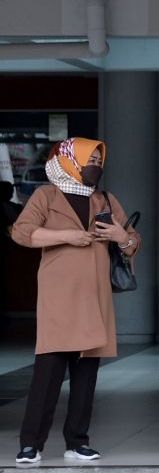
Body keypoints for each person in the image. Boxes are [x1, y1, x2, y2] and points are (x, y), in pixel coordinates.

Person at [11, 138, 140, 466]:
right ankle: (31, 445)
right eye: (90, 159)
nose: (96, 164)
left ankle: (77, 442)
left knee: (86, 374)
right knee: (47, 375)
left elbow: (132, 240)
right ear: (71, 160)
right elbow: (22, 232)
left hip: (94, 299)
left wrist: (120, 238)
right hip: (59, 298)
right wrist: (66, 236)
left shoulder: (104, 199)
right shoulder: (46, 195)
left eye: (99, 159)